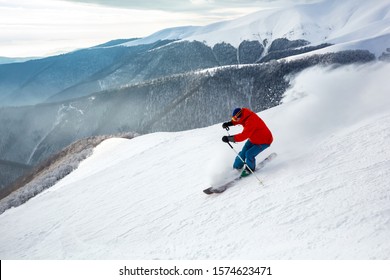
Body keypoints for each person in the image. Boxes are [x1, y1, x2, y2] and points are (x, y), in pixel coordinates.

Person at [222, 107, 273, 177]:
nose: (235, 120)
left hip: (264, 140)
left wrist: (229, 138)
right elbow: (238, 120)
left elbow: (244, 135)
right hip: (253, 139)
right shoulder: (244, 116)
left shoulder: (251, 120)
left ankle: (249, 170)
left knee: (249, 154)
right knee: (242, 153)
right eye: (233, 118)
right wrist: (229, 123)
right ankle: (236, 169)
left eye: (235, 118)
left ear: (240, 116)